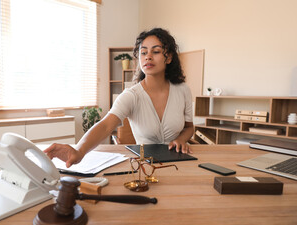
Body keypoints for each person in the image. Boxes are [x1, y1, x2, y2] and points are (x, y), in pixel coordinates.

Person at [44, 28, 194, 168]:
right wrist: (79, 151)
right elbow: (105, 126)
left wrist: (181, 139)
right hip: (147, 168)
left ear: (169, 58)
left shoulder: (183, 90)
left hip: (180, 163)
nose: (148, 56)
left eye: (156, 51)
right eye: (143, 52)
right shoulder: (131, 96)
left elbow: (189, 127)